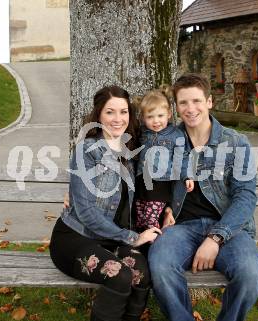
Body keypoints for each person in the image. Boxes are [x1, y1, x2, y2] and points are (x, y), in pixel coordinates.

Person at [148, 74, 258, 321]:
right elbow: (138, 172)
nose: (191, 109)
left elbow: (245, 196)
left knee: (250, 273)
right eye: (183, 103)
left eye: (197, 101)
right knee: (160, 267)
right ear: (176, 108)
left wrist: (216, 238)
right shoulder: (167, 141)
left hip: (229, 228)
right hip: (180, 228)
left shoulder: (235, 142)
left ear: (209, 101)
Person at [49, 86, 161, 321]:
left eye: (123, 112)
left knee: (141, 274)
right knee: (119, 274)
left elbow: (168, 134)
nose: (118, 119)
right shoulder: (86, 150)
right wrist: (133, 238)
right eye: (110, 112)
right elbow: (86, 213)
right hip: (75, 237)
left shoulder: (131, 149)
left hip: (111, 239)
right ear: (99, 114)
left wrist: (168, 208)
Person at [134, 88, 194, 231]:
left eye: (160, 115)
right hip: (141, 182)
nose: (156, 121)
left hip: (161, 184)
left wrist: (187, 176)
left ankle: (155, 239)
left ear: (168, 114)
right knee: (140, 216)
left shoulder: (176, 135)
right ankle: (143, 244)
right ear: (143, 118)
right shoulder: (142, 133)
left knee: (151, 218)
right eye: (150, 117)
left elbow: (183, 158)